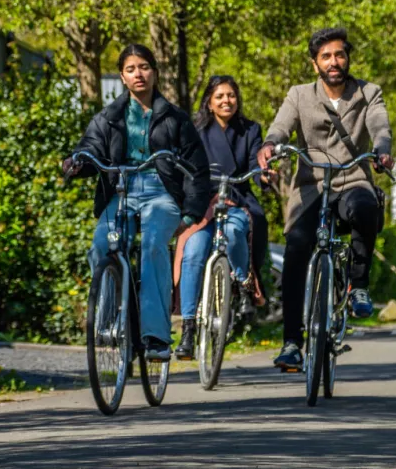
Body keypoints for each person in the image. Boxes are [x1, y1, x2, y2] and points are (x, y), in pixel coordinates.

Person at [256, 27, 394, 373]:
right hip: (311, 184)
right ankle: (291, 343)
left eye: (340, 55)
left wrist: (382, 150)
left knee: (365, 207)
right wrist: (271, 144)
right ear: (315, 63)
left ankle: (358, 286)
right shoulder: (300, 94)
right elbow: (280, 125)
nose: (334, 62)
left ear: (348, 58)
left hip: (353, 177)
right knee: (296, 249)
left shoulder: (368, 92)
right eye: (326, 56)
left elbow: (380, 125)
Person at [63, 44, 210, 361]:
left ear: (154, 72)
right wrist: (76, 162)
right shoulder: (109, 117)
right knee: (102, 243)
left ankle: (156, 336)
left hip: (162, 192)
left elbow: (197, 170)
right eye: (130, 69)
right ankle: (109, 320)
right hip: (120, 191)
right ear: (122, 77)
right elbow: (90, 149)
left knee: (154, 244)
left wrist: (191, 214)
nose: (138, 74)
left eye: (144, 67)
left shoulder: (175, 118)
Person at [172, 75, 267, 360]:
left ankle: (243, 283)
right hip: (202, 203)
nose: (227, 101)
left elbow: (255, 165)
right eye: (220, 97)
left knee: (238, 231)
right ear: (210, 103)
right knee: (194, 250)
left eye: (231, 95)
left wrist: (264, 174)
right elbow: (183, 163)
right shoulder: (195, 130)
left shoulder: (251, 130)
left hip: (236, 198)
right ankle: (188, 327)